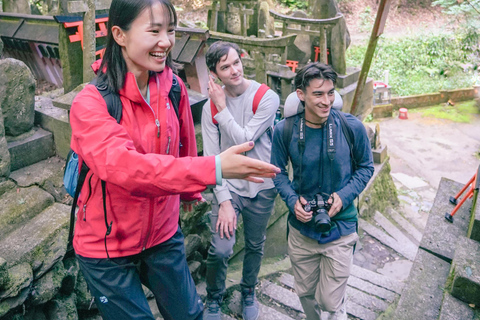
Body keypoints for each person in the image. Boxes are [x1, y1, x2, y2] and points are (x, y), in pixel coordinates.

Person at [69, 1, 280, 319]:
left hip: (162, 232)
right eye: (154, 31)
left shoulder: (174, 89)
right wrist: (215, 169)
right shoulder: (90, 104)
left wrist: (189, 193)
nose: (166, 41)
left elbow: (184, 145)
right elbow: (125, 167)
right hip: (106, 244)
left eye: (170, 30)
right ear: (120, 35)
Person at [270, 62, 374, 320]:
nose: (326, 101)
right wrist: (292, 200)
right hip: (301, 228)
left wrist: (344, 196)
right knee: (305, 293)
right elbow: (277, 172)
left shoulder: (351, 128)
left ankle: (337, 306)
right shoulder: (285, 130)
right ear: (300, 94)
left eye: (330, 93)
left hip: (341, 227)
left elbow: (366, 167)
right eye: (318, 94)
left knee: (329, 300)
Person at [201, 41, 280, 320]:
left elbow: (247, 140)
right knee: (221, 249)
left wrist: (223, 110)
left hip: (262, 185)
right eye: (225, 67)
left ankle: (248, 290)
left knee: (255, 244)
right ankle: (213, 298)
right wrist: (222, 201)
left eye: (236, 62)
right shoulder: (210, 108)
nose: (234, 70)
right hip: (230, 185)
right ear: (214, 73)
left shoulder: (266, 97)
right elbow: (212, 158)